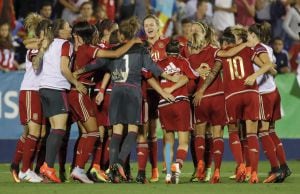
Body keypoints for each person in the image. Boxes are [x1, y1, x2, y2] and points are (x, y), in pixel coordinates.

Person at [72, 17, 176, 183]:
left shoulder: (115, 50)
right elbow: (153, 69)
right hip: (133, 91)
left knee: (117, 132)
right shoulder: (141, 49)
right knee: (133, 131)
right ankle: (119, 162)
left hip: (117, 91)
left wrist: (79, 71)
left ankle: (113, 171)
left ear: (121, 36)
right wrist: (170, 77)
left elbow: (97, 64)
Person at [193, 26, 274, 184]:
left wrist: (202, 89)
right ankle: (254, 173)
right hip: (250, 93)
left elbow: (213, 72)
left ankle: (237, 166)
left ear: (224, 43)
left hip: (232, 96)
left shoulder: (220, 54)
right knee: (251, 134)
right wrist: (261, 72)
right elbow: (268, 66)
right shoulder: (249, 50)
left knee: (233, 131)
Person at [68, 21, 142, 183]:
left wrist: (76, 76)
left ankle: (79, 168)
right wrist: (131, 42)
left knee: (88, 133)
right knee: (94, 133)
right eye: (94, 33)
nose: (97, 35)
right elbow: (114, 55)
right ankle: (83, 168)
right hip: (81, 93)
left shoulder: (79, 49)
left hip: (82, 92)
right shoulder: (90, 49)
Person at [34, 18, 85, 183]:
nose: (70, 29)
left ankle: (45, 168)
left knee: (54, 130)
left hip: (44, 88)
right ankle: (48, 167)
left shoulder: (49, 43)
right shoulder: (65, 44)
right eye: (68, 27)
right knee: (59, 129)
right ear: (60, 31)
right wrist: (76, 83)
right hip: (56, 88)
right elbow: (64, 68)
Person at [248, 22, 292, 183]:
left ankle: (275, 169)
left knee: (263, 132)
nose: (247, 38)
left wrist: (254, 76)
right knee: (271, 131)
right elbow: (272, 68)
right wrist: (269, 69)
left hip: (264, 94)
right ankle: (284, 166)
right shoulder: (268, 48)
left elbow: (267, 66)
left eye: (248, 35)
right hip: (273, 91)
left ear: (254, 35)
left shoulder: (258, 48)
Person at [157, 39, 199, 184]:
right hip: (180, 102)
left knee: (168, 141)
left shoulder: (160, 63)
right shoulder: (183, 62)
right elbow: (193, 76)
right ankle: (178, 164)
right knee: (183, 141)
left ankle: (169, 174)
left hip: (164, 103)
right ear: (179, 51)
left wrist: (165, 90)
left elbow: (151, 78)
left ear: (165, 51)